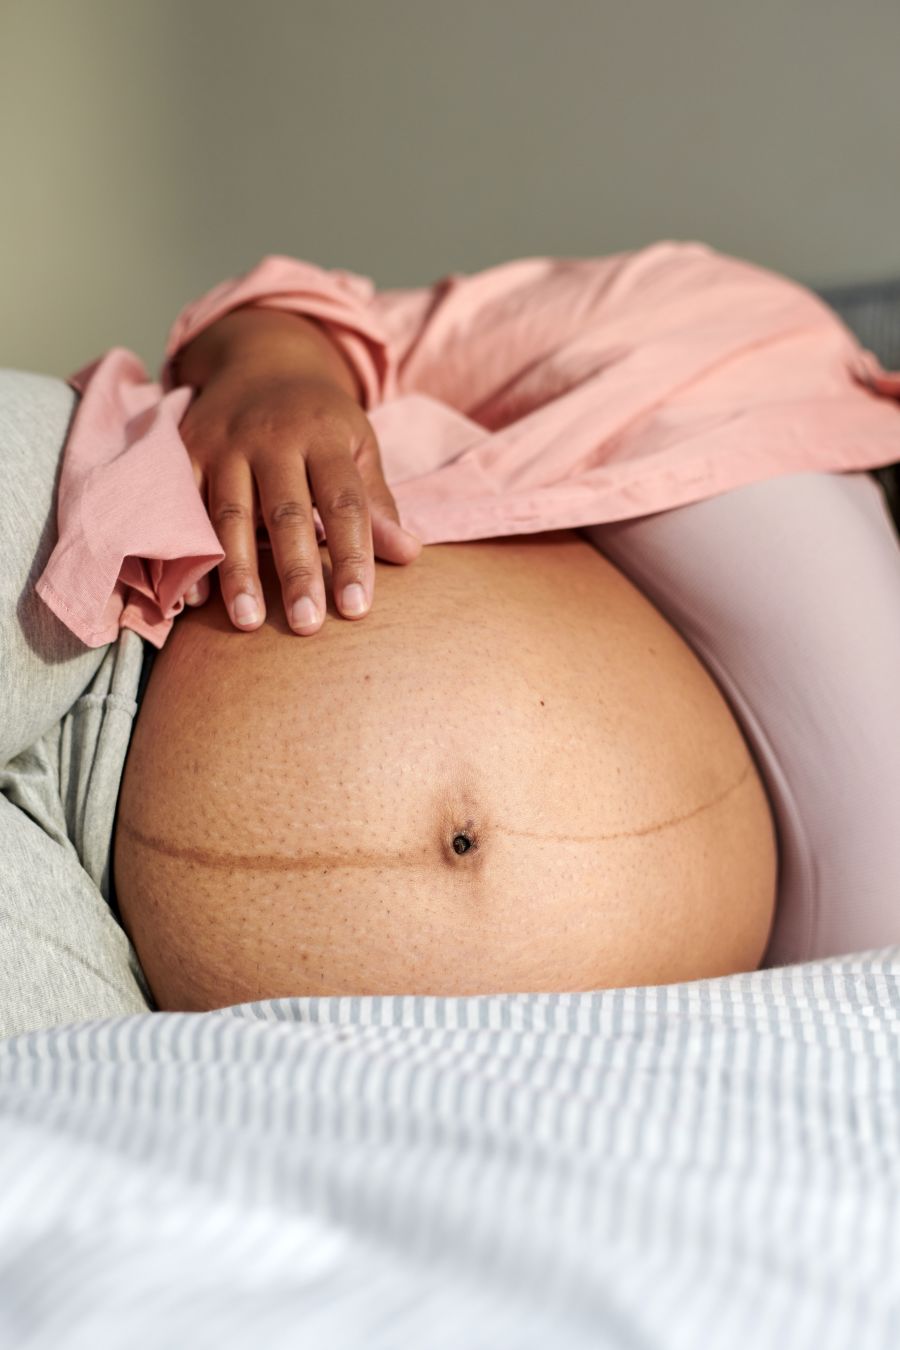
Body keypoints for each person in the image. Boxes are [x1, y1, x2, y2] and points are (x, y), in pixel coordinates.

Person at [3, 242, 900, 1030]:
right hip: (101, 537)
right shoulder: (758, 337)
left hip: (124, 988)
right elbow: (305, 320)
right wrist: (279, 371)